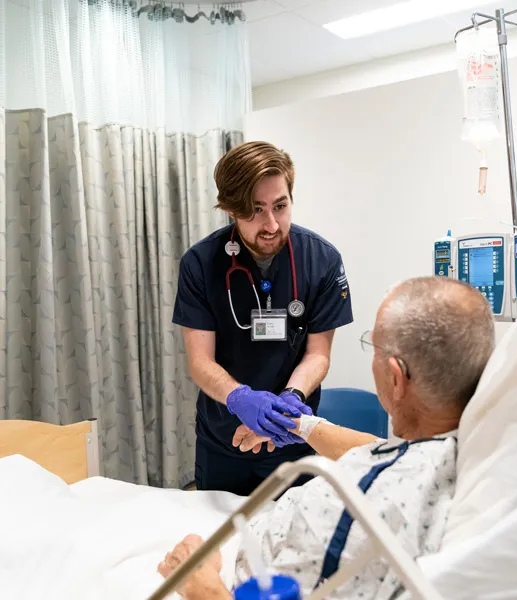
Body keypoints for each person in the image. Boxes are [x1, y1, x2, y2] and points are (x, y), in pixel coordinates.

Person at [159, 276, 495, 599]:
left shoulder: (371, 522)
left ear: (396, 378)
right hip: (250, 532)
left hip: (227, 569)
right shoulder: (460, 451)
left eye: (373, 347)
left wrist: (200, 584)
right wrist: (298, 424)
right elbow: (382, 451)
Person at [172, 141, 354, 495]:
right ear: (230, 209)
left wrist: (291, 396)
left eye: (280, 206)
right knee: (222, 539)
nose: (271, 224)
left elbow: (318, 353)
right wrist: (239, 398)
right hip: (225, 440)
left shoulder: (322, 260)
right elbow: (199, 361)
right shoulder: (200, 263)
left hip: (293, 436)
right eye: (255, 210)